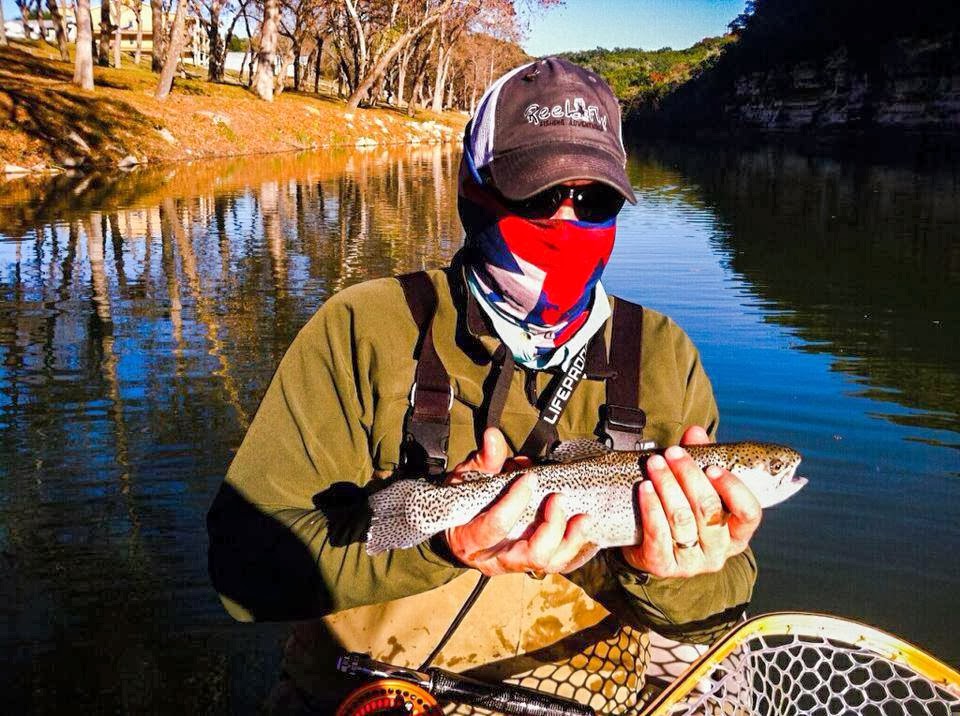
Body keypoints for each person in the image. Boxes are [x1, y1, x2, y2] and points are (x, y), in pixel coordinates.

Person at [207, 57, 761, 715]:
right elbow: (244, 570)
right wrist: (445, 544)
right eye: (536, 193)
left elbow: (722, 603)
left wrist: (665, 572)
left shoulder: (664, 356)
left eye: (595, 199)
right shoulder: (365, 328)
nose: (566, 219)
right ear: (474, 191)